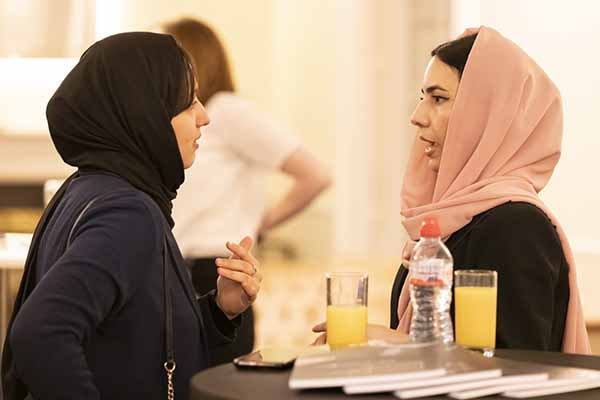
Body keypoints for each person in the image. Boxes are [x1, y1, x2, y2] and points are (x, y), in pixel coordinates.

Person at [1, 32, 262, 400]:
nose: (204, 116)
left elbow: (136, 346)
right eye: (188, 103)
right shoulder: (128, 212)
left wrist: (220, 310)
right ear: (146, 114)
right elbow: (40, 332)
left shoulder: (88, 188)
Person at [316, 26, 591, 354]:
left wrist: (395, 345)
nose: (417, 117)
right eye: (423, 98)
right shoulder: (450, 226)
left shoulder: (516, 226)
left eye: (438, 98)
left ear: (488, 113)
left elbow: (517, 368)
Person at [162, 18, 331, 364]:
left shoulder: (227, 111)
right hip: (176, 267)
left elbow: (315, 175)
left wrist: (260, 224)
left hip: (217, 273)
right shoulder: (174, 125)